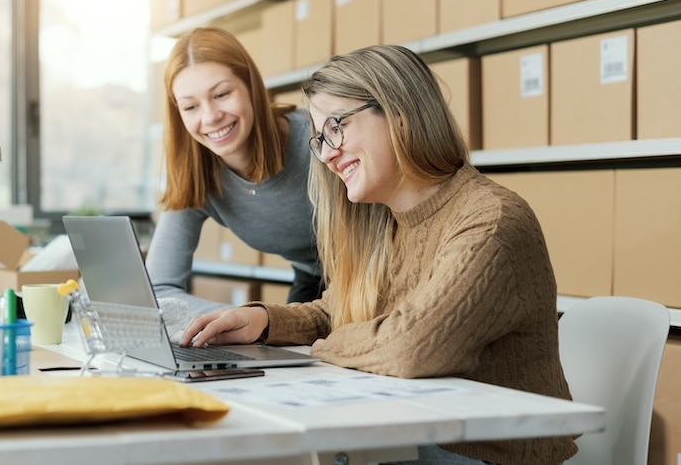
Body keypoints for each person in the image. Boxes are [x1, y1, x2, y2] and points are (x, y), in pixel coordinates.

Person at [180, 45, 577, 465]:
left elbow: (412, 348)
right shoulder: (387, 223)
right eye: (319, 139)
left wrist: (325, 343)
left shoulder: (490, 220)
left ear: (399, 111)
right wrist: (262, 322)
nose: (328, 154)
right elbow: (338, 313)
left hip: (487, 456)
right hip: (421, 439)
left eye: (336, 127)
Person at [145, 26, 323, 317]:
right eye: (190, 107)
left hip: (377, 272)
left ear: (250, 86)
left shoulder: (316, 141)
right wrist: (240, 318)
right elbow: (158, 289)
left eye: (222, 94)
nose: (210, 117)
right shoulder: (197, 174)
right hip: (313, 282)